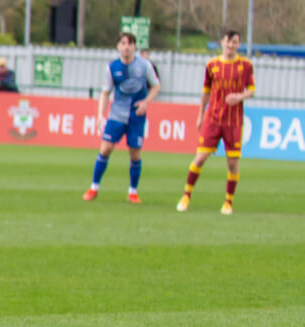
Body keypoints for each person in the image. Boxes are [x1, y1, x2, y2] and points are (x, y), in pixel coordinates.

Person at [177, 30, 255, 215]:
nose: (231, 45)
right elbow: (205, 91)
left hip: (234, 121)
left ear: (239, 44)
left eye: (235, 42)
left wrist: (239, 96)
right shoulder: (212, 65)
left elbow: (251, 89)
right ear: (222, 42)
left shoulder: (246, 65)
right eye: (228, 42)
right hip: (213, 118)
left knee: (232, 163)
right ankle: (186, 196)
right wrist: (200, 114)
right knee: (200, 157)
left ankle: (228, 202)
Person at [83, 32, 160, 204]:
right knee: (105, 149)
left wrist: (146, 102)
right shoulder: (112, 68)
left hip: (136, 116)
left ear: (134, 47)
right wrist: (99, 115)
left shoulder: (145, 66)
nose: (126, 47)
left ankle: (133, 191)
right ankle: (94, 187)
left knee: (135, 153)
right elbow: (105, 92)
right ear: (118, 46)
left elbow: (156, 86)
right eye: (123, 43)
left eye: (130, 43)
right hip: (117, 115)